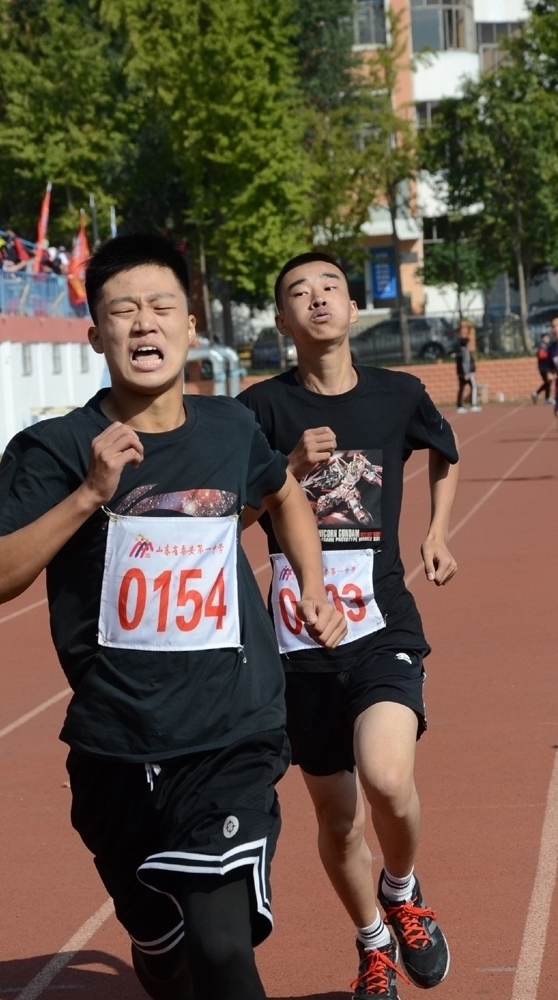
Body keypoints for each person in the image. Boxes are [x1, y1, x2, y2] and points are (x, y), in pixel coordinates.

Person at [0, 234, 345, 1000]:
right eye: (124, 310)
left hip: (231, 732)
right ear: (96, 334)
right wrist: (88, 495)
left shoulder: (229, 428)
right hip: (114, 747)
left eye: (162, 306)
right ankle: (155, 939)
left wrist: (313, 582)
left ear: (190, 324)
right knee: (166, 955)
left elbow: (283, 494)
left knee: (222, 947)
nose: (145, 323)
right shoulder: (54, 448)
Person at [238, 252, 459, 1000]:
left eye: (330, 286)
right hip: (298, 642)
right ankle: (371, 941)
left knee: (387, 778)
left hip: (381, 624)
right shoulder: (259, 409)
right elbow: (228, 522)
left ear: (353, 306)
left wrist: (437, 532)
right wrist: (288, 472)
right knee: (337, 822)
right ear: (282, 320)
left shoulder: (399, 395)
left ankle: (402, 888)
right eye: (299, 292)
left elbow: (445, 454)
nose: (317, 298)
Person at [455, 321, 479, 413]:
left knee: (462, 387)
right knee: (473, 386)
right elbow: (465, 361)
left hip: (462, 371)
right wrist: (466, 372)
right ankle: (473, 404)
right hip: (467, 371)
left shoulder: (461, 347)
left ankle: (459, 405)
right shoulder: (464, 348)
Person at [532, 327, 556, 405]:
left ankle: (538, 394)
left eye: (547, 337)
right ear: (543, 339)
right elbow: (541, 355)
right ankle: (546, 397)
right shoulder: (542, 346)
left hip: (546, 367)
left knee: (548, 382)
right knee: (548, 382)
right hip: (543, 368)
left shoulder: (547, 346)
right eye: (546, 338)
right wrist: (549, 355)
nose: (547, 339)